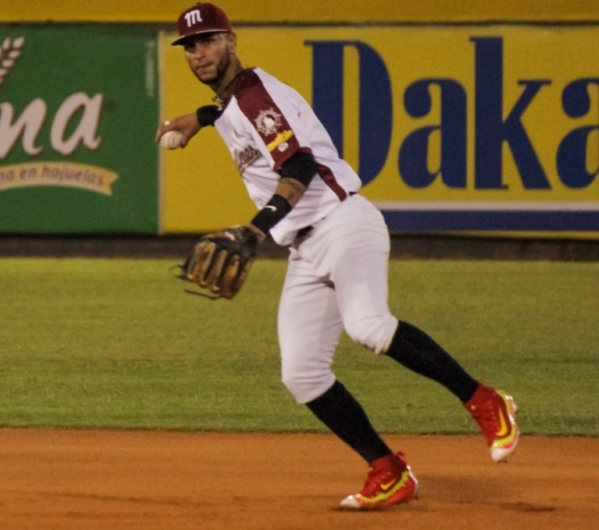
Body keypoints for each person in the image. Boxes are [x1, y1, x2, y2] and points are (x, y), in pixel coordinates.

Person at [157, 3, 519, 510]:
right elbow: (228, 110)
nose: (200, 53)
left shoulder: (256, 94)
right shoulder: (235, 100)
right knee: (302, 372)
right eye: (191, 46)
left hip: (343, 224)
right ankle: (389, 471)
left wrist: (256, 228)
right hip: (306, 248)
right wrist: (197, 119)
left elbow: (300, 163)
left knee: (369, 327)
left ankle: (485, 401)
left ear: (231, 40)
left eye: (209, 41)